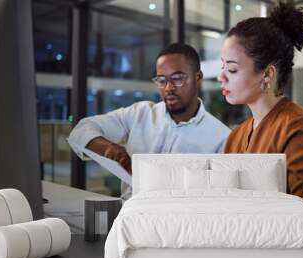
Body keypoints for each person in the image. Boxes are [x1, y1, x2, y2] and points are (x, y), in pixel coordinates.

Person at [68, 43, 230, 198]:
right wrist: (111, 150)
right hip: (128, 212)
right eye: (161, 80)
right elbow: (81, 130)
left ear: (198, 77)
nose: (168, 88)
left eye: (178, 78)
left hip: (179, 219)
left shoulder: (221, 138)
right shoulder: (140, 113)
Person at [218, 2, 303, 197]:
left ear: (267, 74)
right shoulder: (235, 137)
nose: (222, 77)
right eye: (222, 67)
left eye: (232, 69)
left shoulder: (298, 129)